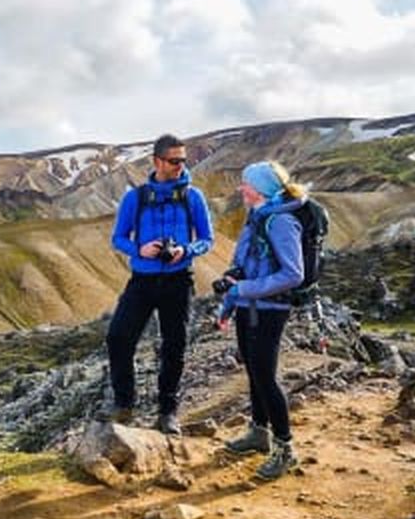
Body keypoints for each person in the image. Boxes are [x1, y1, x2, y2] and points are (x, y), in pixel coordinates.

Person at [104, 134, 214, 434]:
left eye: (183, 160)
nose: (181, 166)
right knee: (118, 338)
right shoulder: (135, 198)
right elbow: (118, 238)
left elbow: (207, 239)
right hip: (142, 281)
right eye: (174, 161)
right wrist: (138, 249)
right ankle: (124, 403)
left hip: (179, 280)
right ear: (157, 161)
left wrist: (186, 250)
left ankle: (168, 412)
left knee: (174, 345)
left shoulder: (193, 197)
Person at [217, 160, 305, 480]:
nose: (242, 188)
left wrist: (243, 289)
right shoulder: (256, 217)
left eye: (247, 184)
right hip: (248, 307)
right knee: (254, 373)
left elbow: (293, 274)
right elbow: (241, 268)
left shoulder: (280, 222)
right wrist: (229, 304)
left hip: (269, 311)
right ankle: (258, 432)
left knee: (265, 377)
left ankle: (285, 448)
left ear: (262, 189)